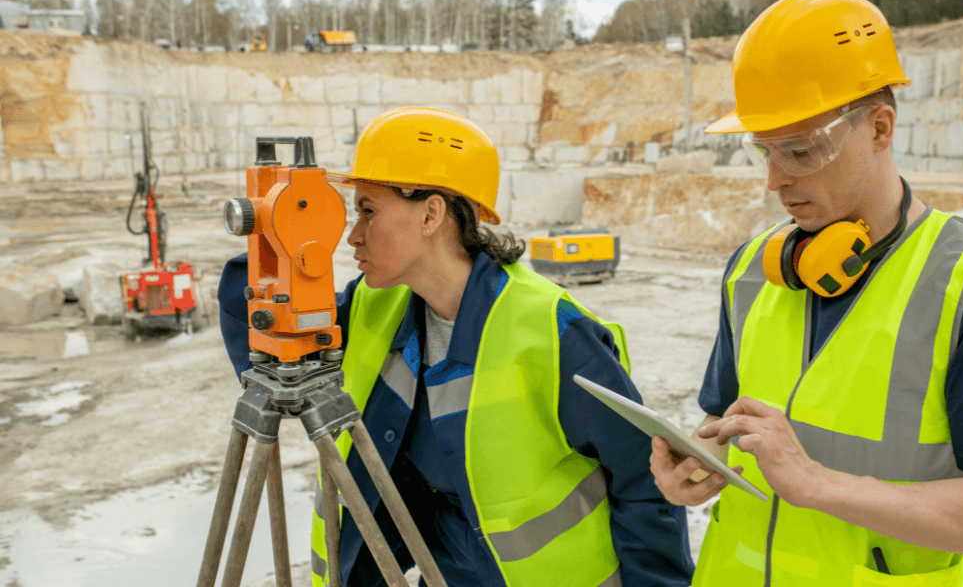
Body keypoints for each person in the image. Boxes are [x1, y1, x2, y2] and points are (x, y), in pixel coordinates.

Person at [648, 0, 963, 585]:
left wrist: (818, 485)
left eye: (800, 150)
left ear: (880, 127)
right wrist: (696, 461)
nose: (776, 180)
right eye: (763, 151)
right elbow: (726, 424)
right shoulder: (750, 271)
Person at [218, 107, 694, 587]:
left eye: (367, 211)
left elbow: (644, 483)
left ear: (431, 214)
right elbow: (265, 337)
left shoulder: (552, 331)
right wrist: (276, 235)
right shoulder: (374, 307)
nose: (352, 236)